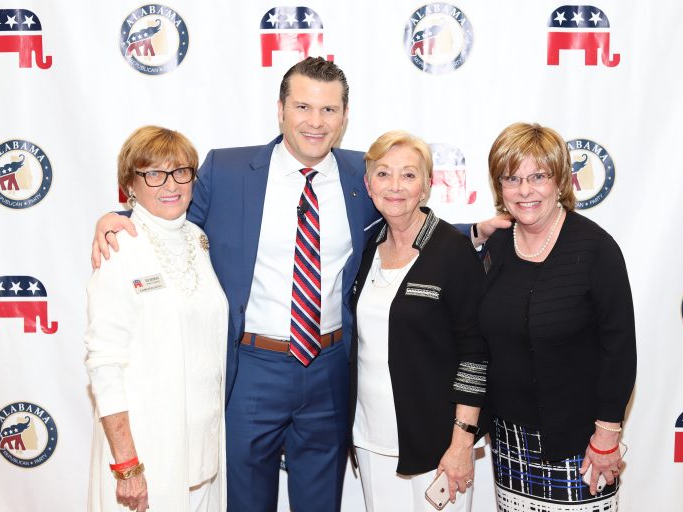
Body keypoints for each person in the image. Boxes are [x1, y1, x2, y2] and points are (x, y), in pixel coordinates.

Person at [91, 58, 382, 511]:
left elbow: (408, 221)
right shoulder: (226, 171)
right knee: (244, 503)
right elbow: (169, 215)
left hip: (329, 369)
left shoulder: (362, 174)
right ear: (280, 110)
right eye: (303, 107)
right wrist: (118, 217)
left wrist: (478, 232)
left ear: (345, 116)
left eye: (328, 110)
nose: (315, 121)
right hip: (250, 371)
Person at [473, 122, 636, 511]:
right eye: (512, 178)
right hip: (509, 439)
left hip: (580, 443)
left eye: (538, 177)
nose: (524, 190)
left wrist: (606, 436)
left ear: (560, 180)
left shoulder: (596, 249)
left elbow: (619, 351)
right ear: (499, 186)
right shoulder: (498, 244)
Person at [85, 126, 227, 511]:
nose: (170, 184)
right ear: (130, 184)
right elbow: (104, 364)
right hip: (147, 453)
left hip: (203, 453)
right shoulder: (118, 248)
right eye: (153, 174)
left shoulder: (198, 239)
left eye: (180, 171)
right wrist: (127, 464)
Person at [349, 131, 486, 511]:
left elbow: (476, 356)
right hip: (371, 437)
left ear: (426, 186)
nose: (395, 186)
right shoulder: (367, 249)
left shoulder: (453, 252)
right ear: (369, 185)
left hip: (439, 443)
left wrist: (462, 442)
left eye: (408, 175)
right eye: (383, 174)